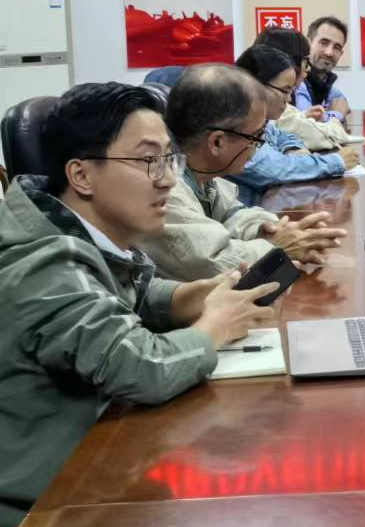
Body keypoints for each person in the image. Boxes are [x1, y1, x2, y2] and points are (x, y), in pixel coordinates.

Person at [0, 83, 278, 526]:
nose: (167, 178)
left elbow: (136, 295)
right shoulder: (45, 262)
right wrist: (215, 326)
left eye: (169, 158)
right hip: (44, 504)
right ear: (81, 176)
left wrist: (202, 294)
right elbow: (141, 366)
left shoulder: (79, 231)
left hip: (97, 465)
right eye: (148, 160)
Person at [140, 64, 346, 282]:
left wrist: (271, 229)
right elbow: (212, 262)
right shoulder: (165, 189)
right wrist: (277, 247)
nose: (260, 145)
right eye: (256, 136)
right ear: (217, 142)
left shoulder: (201, 172)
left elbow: (232, 213)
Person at [228, 46, 357, 204]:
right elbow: (274, 170)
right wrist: (336, 162)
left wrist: (293, 149)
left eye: (291, 91)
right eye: (285, 91)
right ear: (255, 86)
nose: (289, 99)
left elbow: (283, 136)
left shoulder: (264, 120)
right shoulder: (234, 125)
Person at [294, 16, 350, 125]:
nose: (329, 53)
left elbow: (342, 104)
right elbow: (308, 123)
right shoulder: (296, 80)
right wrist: (337, 114)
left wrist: (330, 114)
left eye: (337, 47)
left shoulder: (326, 83)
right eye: (324, 43)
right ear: (308, 43)